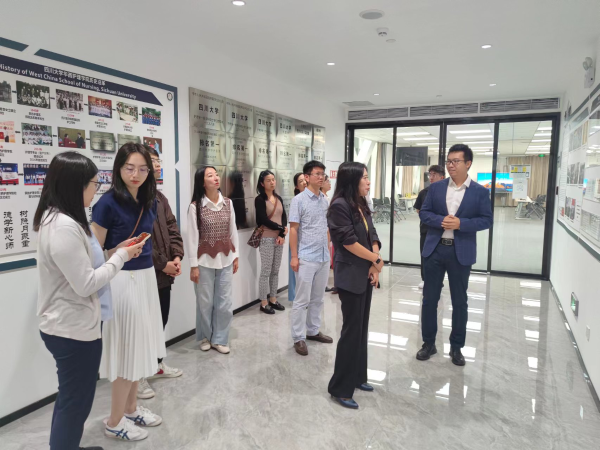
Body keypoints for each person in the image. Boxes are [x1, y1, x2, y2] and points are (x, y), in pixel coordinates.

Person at [35, 152, 144, 450]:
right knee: (75, 403)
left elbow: (87, 264)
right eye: (94, 183)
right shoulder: (63, 227)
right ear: (76, 185)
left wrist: (115, 251)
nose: (96, 189)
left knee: (72, 399)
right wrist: (121, 258)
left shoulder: (66, 219)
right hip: (71, 330)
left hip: (72, 325)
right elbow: (86, 283)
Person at [91, 143, 165, 442]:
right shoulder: (106, 203)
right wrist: (118, 251)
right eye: (130, 168)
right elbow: (94, 253)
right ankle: (114, 421)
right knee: (125, 352)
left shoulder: (150, 201)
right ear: (118, 169)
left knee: (141, 347)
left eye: (143, 169)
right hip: (120, 280)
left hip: (145, 278)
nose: (136, 174)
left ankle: (131, 409)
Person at [417, 144, 493, 366]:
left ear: (468, 164)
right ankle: (428, 343)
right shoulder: (436, 188)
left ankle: (456, 347)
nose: (450, 165)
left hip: (461, 252)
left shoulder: (480, 192)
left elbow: (486, 220)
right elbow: (424, 213)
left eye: (455, 161)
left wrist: (461, 224)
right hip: (435, 249)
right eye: (449, 161)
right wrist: (441, 221)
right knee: (429, 299)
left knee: (460, 302)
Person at [327, 162, 383, 409]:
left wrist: (374, 263)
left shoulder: (360, 203)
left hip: (365, 272)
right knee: (351, 331)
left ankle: (358, 377)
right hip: (350, 275)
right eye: (365, 178)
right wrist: (376, 260)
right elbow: (348, 242)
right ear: (352, 180)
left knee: (361, 329)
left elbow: (372, 234)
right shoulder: (339, 206)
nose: (369, 182)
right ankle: (340, 388)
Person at [137, 146, 184, 400]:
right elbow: (138, 240)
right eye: (151, 161)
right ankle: (138, 375)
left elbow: (172, 227)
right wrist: (162, 263)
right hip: (143, 274)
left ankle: (156, 364)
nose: (156, 165)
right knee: (142, 327)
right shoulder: (133, 199)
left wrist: (176, 257)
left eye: (157, 160)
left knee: (160, 322)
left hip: (164, 275)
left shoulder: (159, 197)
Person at [187, 166, 239, 354]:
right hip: (203, 263)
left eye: (216, 174)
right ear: (202, 182)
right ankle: (205, 336)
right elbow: (192, 238)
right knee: (205, 302)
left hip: (226, 259)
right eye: (210, 175)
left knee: (225, 302)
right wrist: (193, 266)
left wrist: (236, 256)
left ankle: (220, 339)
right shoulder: (195, 207)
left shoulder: (228, 203)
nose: (216, 178)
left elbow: (233, 231)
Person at [289, 161, 333, 356]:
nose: (321, 177)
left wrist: (328, 246)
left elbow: (328, 227)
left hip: (323, 256)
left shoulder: (325, 200)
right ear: (306, 177)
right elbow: (293, 229)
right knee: (301, 300)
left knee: (318, 298)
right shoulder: (298, 200)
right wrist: (294, 256)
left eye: (322, 174)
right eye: (317, 174)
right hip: (306, 256)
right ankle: (298, 337)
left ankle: (313, 330)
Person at [255, 170, 288, 315]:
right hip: (266, 238)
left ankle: (273, 299)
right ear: (262, 183)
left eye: (273, 179)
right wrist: (280, 228)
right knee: (266, 271)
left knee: (275, 270)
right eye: (268, 180)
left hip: (278, 239)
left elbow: (284, 217)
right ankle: (263, 302)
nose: (272, 182)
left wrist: (281, 234)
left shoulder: (278, 198)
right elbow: (262, 219)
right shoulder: (259, 199)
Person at [414, 165, 446, 289]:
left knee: (440, 257)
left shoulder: (447, 193)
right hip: (426, 230)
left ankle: (439, 280)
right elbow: (418, 210)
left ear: (442, 177)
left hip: (443, 230)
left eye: (434, 175)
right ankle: (425, 279)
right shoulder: (424, 193)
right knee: (425, 255)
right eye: (430, 174)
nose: (431, 177)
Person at [288, 172, 307, 302]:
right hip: (298, 243)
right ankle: (297, 299)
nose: (304, 182)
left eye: (305, 179)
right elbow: (293, 228)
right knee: (297, 274)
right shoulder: (297, 201)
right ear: (296, 186)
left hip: (310, 246)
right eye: (300, 181)